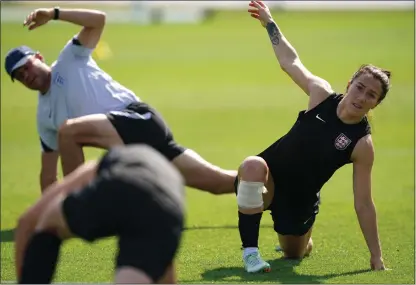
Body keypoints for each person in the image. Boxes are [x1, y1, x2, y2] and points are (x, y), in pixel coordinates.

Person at [5, 6, 236, 194]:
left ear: (38, 57)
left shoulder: (69, 59)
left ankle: (80, 204)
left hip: (139, 120)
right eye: (19, 75)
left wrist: (54, 14)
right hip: (129, 143)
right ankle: (267, 180)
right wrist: (45, 216)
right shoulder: (43, 115)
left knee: (69, 131)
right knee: (220, 183)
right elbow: (47, 176)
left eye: (26, 66)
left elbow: (98, 20)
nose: (26, 75)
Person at [234, 0, 389, 273]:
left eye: (371, 95)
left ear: (376, 104)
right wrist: (269, 22)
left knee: (295, 254)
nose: (362, 97)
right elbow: (290, 61)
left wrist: (377, 257)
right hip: (267, 180)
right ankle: (251, 254)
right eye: (360, 87)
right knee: (251, 165)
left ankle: (303, 241)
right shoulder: (320, 95)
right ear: (350, 84)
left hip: (299, 203)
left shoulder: (362, 144)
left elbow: (364, 203)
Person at [15, 144, 185, 284]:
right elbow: (165, 267)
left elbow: (27, 221)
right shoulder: (157, 177)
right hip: (169, 209)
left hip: (124, 185)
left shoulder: (109, 163)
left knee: (49, 223)